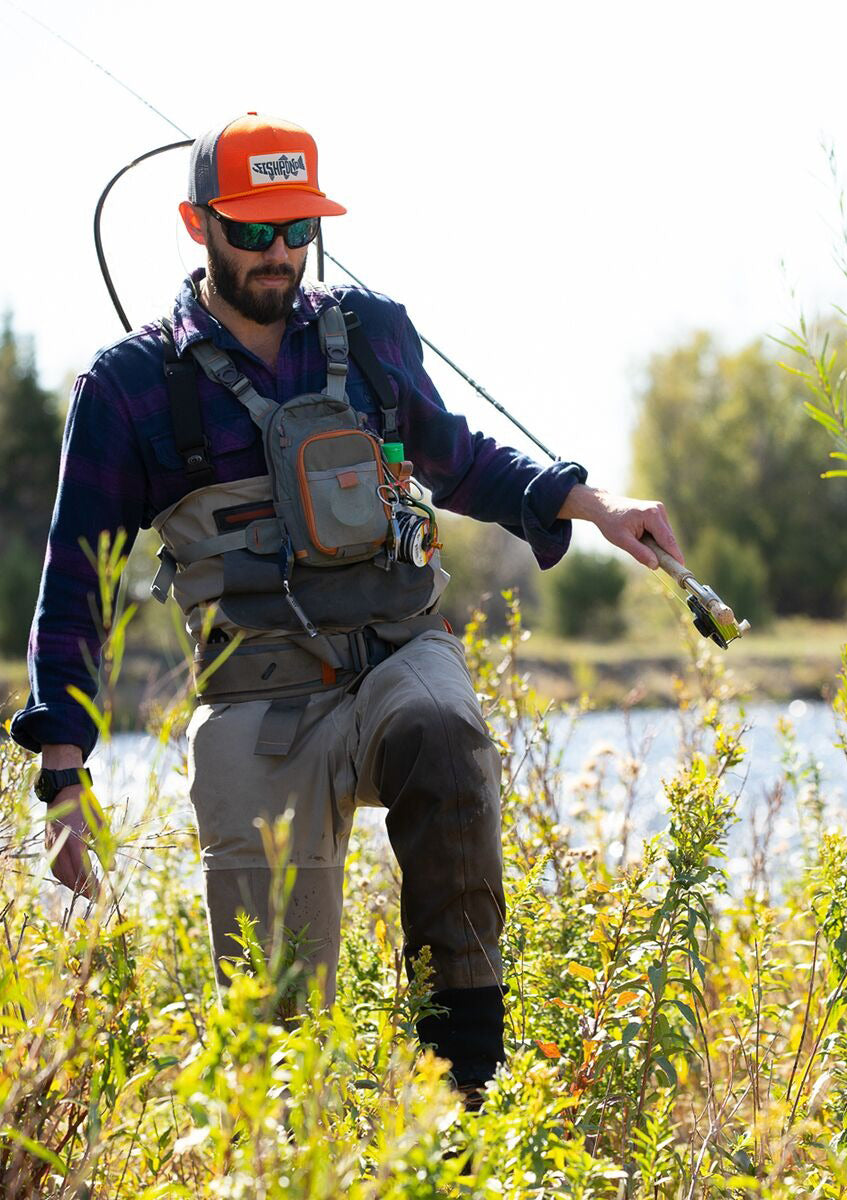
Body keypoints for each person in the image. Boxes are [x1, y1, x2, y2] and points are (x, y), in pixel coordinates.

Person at [12, 113, 684, 1102]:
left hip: (397, 658)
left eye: (298, 228)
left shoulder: (372, 336)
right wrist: (64, 780)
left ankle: (465, 1095)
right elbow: (77, 581)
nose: (279, 252)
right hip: (256, 702)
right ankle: (296, 1137)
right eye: (253, 230)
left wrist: (595, 506)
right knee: (277, 1035)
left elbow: (460, 458)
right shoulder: (129, 388)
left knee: (445, 729)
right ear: (197, 224)